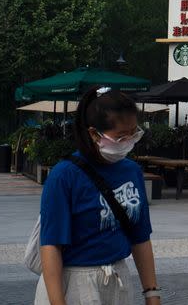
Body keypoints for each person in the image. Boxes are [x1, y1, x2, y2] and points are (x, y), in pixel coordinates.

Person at [34, 86, 161, 305]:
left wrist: (151, 293)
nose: (129, 141)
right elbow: (51, 246)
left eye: (134, 133)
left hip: (118, 280)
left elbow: (140, 237)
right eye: (121, 137)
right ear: (94, 133)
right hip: (75, 282)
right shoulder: (64, 176)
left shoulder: (131, 171)